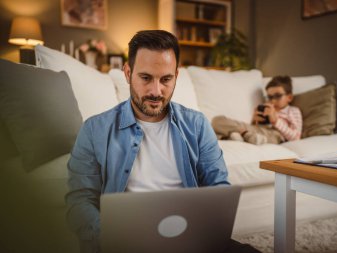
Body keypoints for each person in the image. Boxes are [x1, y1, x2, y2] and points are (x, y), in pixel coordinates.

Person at [65, 30, 260, 253]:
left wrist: (207, 233)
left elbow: (219, 188)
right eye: (146, 78)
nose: (156, 91)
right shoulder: (95, 129)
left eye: (166, 79)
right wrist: (107, 237)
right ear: (128, 73)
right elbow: (79, 201)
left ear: (176, 75)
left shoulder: (197, 124)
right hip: (125, 243)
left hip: (191, 240)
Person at [212, 75, 302, 145]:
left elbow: (296, 137)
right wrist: (254, 120)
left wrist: (276, 121)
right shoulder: (265, 107)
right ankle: (242, 134)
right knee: (217, 120)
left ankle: (235, 136)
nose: (273, 100)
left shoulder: (293, 111)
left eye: (278, 96)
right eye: (270, 97)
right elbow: (253, 127)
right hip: (255, 130)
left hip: (275, 135)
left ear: (289, 97)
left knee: (273, 136)